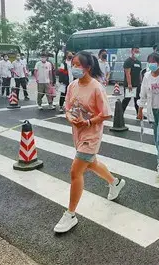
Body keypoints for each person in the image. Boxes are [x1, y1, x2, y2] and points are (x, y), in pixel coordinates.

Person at [54, 51, 125, 233]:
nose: (74, 67)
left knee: (75, 171)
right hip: (77, 134)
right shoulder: (72, 86)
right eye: (73, 64)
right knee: (91, 163)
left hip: (91, 135)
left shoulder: (96, 87)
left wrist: (88, 122)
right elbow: (68, 108)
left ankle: (70, 215)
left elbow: (106, 113)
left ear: (88, 67)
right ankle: (114, 182)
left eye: (78, 65)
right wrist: (70, 117)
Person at [121, 47, 142, 115]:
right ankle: (120, 113)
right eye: (135, 51)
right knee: (127, 99)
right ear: (132, 51)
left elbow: (139, 73)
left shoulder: (138, 62)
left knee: (137, 100)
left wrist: (141, 82)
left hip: (137, 84)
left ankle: (139, 113)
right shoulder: (128, 61)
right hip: (130, 84)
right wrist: (129, 84)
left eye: (138, 52)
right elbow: (128, 73)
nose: (137, 53)